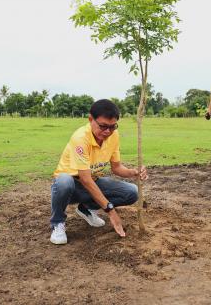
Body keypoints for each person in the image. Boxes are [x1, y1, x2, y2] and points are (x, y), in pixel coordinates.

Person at [50, 99, 148, 245]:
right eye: (103, 126)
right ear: (91, 119)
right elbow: (85, 179)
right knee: (64, 181)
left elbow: (116, 168)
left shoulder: (113, 136)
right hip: (71, 187)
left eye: (112, 127)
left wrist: (134, 172)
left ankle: (86, 209)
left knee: (132, 192)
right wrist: (111, 211)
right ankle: (57, 223)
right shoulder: (81, 138)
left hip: (93, 181)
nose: (107, 131)